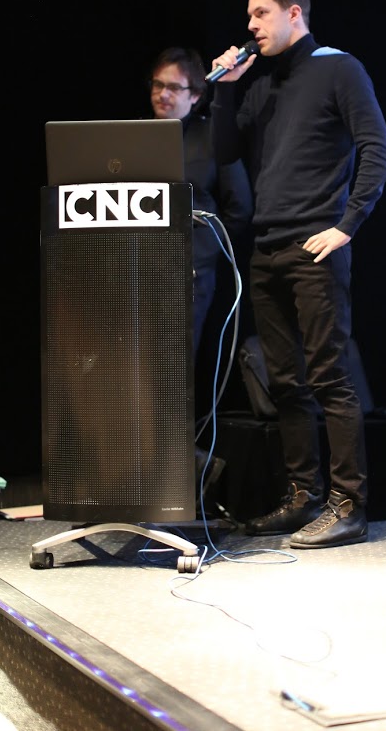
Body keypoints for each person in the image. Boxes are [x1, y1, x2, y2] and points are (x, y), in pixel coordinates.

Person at [209, 0, 386, 549]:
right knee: (286, 385)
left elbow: (380, 153)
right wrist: (225, 91)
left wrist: (346, 226)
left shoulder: (339, 68)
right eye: (249, 16)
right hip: (266, 250)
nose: (250, 25)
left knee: (329, 377)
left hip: (315, 247)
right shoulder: (262, 85)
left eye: (260, 13)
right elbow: (223, 152)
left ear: (294, 14)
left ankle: (348, 506)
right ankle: (302, 497)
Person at [147, 47, 253, 507]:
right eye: (157, 85)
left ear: (196, 95)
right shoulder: (138, 139)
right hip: (139, 270)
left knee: (173, 372)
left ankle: (177, 482)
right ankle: (148, 475)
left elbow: (239, 208)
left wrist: (205, 249)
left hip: (191, 271)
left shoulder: (211, 138)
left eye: (174, 87)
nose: (163, 94)